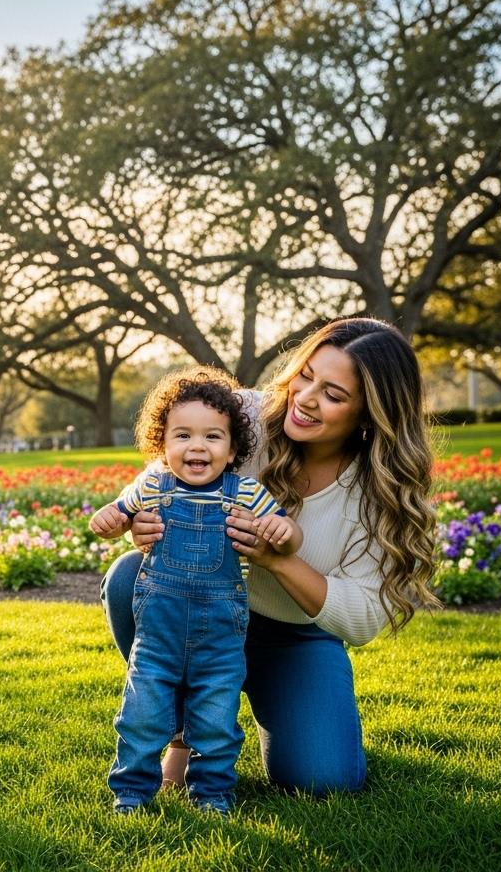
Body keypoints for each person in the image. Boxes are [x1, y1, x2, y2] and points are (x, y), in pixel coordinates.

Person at [97, 318, 438, 797]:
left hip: (292, 639)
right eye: (306, 375)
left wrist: (277, 561)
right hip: (197, 608)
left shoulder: (378, 489)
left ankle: (296, 711)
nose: (305, 398)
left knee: (323, 780)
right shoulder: (245, 416)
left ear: (369, 415)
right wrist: (146, 525)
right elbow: (165, 471)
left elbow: (362, 619)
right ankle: (182, 733)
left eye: (334, 395)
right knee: (128, 576)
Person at [89, 368, 301, 815]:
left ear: (232, 448)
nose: (197, 446)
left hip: (220, 642)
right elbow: (122, 511)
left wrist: (283, 531)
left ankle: (213, 794)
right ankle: (130, 793)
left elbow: (289, 534)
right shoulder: (153, 485)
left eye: (213, 436)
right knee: (141, 716)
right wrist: (113, 521)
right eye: (182, 435)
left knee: (217, 723)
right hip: (158, 639)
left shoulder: (246, 492)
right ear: (161, 445)